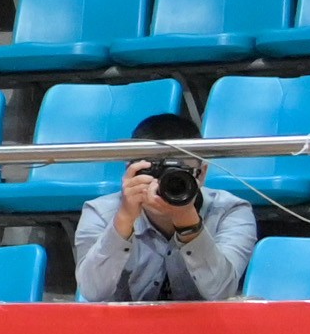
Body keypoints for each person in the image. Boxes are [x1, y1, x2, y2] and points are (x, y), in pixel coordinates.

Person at [71, 112, 258, 302]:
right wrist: (124, 220)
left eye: (178, 173)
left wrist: (188, 222)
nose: (162, 182)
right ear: (130, 169)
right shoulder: (100, 212)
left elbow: (220, 292)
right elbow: (92, 292)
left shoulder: (230, 211)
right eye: (153, 171)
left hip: (206, 327)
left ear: (201, 174)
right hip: (125, 328)